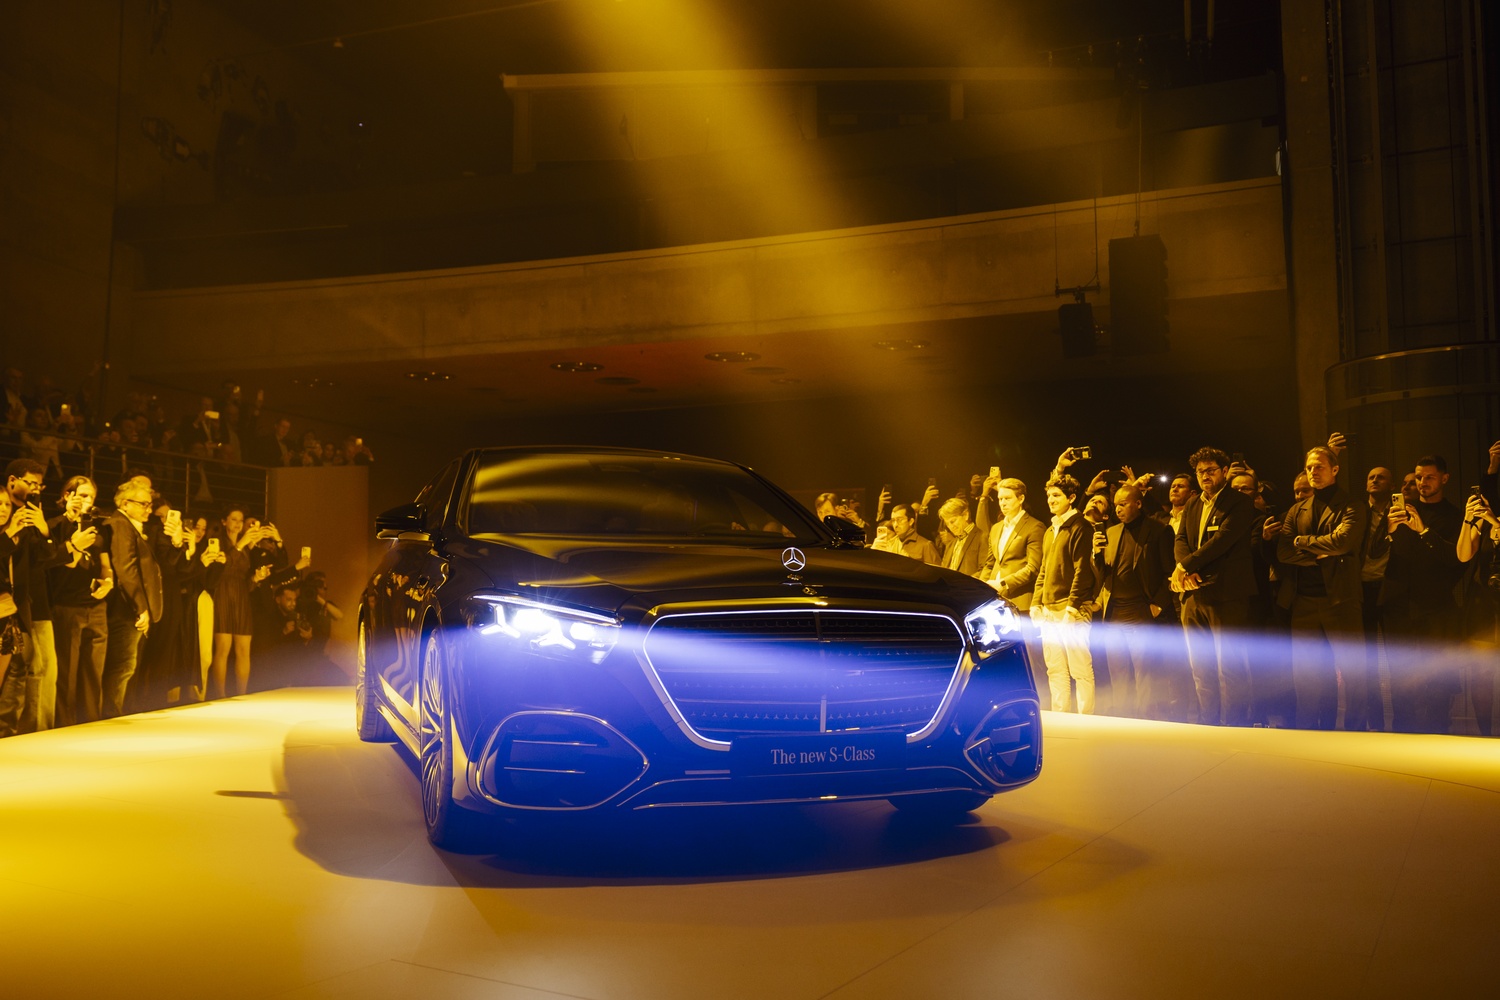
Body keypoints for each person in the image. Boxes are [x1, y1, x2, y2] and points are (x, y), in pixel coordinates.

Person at [1276, 446, 1366, 730]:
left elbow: (1342, 542)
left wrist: (1302, 542)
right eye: (1309, 467)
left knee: (1353, 673)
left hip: (1341, 598)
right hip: (1303, 600)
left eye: (1319, 466)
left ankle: (1355, 733)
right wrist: (1319, 552)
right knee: (1306, 676)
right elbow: (1283, 551)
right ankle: (1308, 732)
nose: (1313, 472)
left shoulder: (1352, 504)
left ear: (1335, 469)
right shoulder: (1297, 509)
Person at [1172, 446, 1258, 726]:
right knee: (1200, 667)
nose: (1205, 476)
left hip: (1226, 593)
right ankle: (1208, 724)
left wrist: (1186, 567)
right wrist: (1186, 569)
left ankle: (1234, 726)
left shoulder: (1239, 502)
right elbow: (1181, 539)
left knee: (1229, 668)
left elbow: (1223, 540)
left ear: (1224, 471)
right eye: (1200, 472)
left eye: (1210, 470)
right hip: (1193, 593)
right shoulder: (1193, 504)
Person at [1382, 455, 1464, 733]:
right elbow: (1373, 554)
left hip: (1435, 606)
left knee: (1437, 679)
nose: (1422, 482)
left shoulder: (1454, 516)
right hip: (1399, 606)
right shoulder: (1401, 511)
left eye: (1429, 477)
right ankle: (1401, 734)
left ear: (1444, 478)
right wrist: (1389, 530)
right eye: (1418, 477)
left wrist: (1424, 531)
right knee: (1400, 676)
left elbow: (1456, 560)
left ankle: (1439, 733)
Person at [1092, 484, 1176, 718]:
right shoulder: (1111, 532)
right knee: (1117, 670)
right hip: (1115, 611)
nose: (1118, 509)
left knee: (1145, 671)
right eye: (1115, 505)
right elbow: (1102, 574)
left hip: (1142, 609)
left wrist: (1158, 605)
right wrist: (1096, 553)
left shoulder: (1159, 531)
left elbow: (1169, 573)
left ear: (1138, 504)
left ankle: (1146, 718)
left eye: (1123, 504)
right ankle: (1123, 717)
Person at [45, 476, 111, 726]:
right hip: (66, 605)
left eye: (91, 496)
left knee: (94, 672)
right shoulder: (54, 526)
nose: (87, 501)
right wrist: (72, 524)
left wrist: (108, 581)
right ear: (67, 495)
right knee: (67, 672)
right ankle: (65, 723)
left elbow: (106, 565)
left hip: (95, 605)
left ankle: (92, 720)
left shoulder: (97, 529)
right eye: (82, 495)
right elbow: (62, 563)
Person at [1032, 475, 1098, 714]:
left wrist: (1072, 608)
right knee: (1055, 669)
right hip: (1049, 610)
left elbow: (1082, 570)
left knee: (1080, 669)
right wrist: (1036, 603)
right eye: (1049, 495)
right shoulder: (1051, 530)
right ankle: (1061, 717)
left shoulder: (1080, 526)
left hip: (1072, 610)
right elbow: (1044, 569)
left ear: (1071, 498)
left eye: (1056, 495)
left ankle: (1085, 719)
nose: (1051, 500)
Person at [101, 481, 166, 718]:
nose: (149, 509)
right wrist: (141, 607)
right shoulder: (120, 524)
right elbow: (125, 569)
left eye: (150, 505)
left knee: (126, 666)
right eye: (144, 504)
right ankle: (111, 715)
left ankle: (115, 712)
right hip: (125, 608)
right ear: (125, 503)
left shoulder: (128, 525)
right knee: (122, 665)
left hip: (129, 606)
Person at [1456, 487, 1500, 736]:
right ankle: (1485, 734)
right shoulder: (1483, 524)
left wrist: (1495, 522)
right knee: (1481, 674)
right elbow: (1463, 555)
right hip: (1483, 606)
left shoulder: (1494, 521)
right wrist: (1468, 520)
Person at [207, 507, 263, 698]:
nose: (238, 524)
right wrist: (239, 545)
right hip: (222, 592)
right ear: (224, 522)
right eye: (234, 519)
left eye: (241, 520)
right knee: (223, 647)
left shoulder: (247, 546)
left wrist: (255, 579)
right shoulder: (218, 542)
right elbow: (219, 568)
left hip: (241, 595)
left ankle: (242, 693)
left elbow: (245, 578)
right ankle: (220, 695)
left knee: (244, 647)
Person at [937, 497, 986, 577]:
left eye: (953, 521)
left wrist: (964, 582)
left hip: (970, 585)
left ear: (966, 515)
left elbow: (985, 570)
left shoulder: (982, 537)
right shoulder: (950, 544)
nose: (951, 527)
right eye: (947, 524)